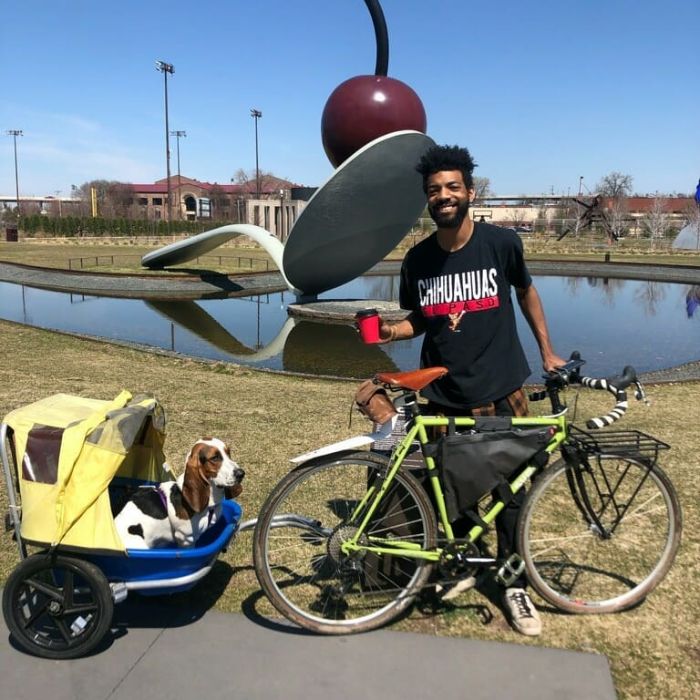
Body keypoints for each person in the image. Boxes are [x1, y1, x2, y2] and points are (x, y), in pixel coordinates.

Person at [378, 144, 565, 636]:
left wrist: (547, 352)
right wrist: (389, 332)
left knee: (513, 495)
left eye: (452, 187)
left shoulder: (502, 244)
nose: (443, 196)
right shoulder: (417, 260)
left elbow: (526, 291)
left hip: (504, 388)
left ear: (469, 192)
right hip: (444, 394)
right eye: (434, 190)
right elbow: (418, 318)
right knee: (454, 492)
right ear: (428, 198)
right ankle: (460, 565)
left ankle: (514, 583)